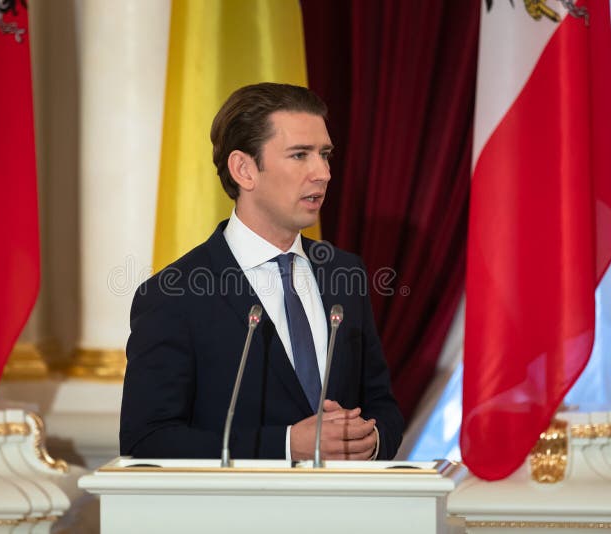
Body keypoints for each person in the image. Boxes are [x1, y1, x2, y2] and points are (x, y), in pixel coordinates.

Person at [119, 83, 404, 461]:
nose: (323, 173)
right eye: (300, 155)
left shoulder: (344, 274)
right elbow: (146, 443)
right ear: (244, 169)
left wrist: (372, 440)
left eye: (325, 155)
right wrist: (286, 445)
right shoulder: (174, 294)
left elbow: (381, 404)